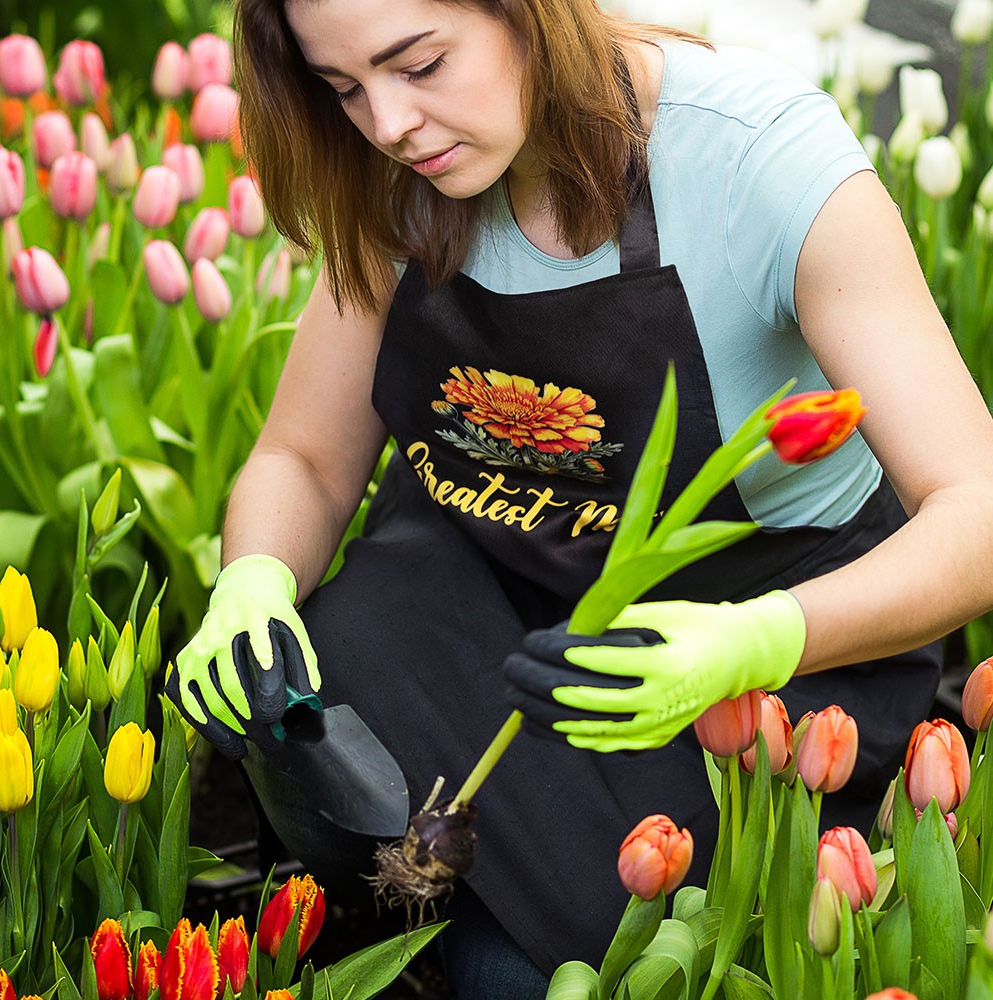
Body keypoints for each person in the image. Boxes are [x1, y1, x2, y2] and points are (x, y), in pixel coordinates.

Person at [165, 0, 993, 996]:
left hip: (733, 634)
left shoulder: (753, 163)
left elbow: (975, 507)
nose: (386, 125)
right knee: (319, 675)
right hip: (489, 585)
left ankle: (458, 936)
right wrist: (249, 581)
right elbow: (305, 457)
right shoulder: (397, 174)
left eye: (419, 64)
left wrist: (756, 640)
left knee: (608, 917)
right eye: (343, 88)